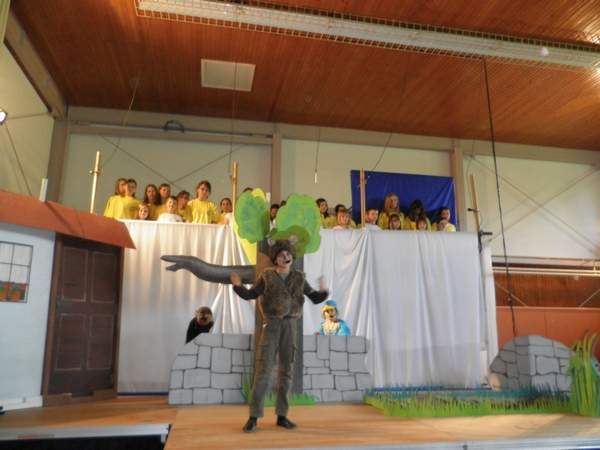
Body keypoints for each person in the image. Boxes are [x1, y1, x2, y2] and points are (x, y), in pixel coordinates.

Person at [229, 240, 329, 433]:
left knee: (287, 371)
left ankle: (282, 415)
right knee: (263, 370)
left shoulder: (299, 278)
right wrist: (238, 286)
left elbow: (315, 298)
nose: (286, 256)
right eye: (282, 254)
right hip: (272, 325)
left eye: (288, 254)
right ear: (275, 259)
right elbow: (251, 295)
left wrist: (324, 290)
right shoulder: (267, 276)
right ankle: (253, 417)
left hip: (290, 326)